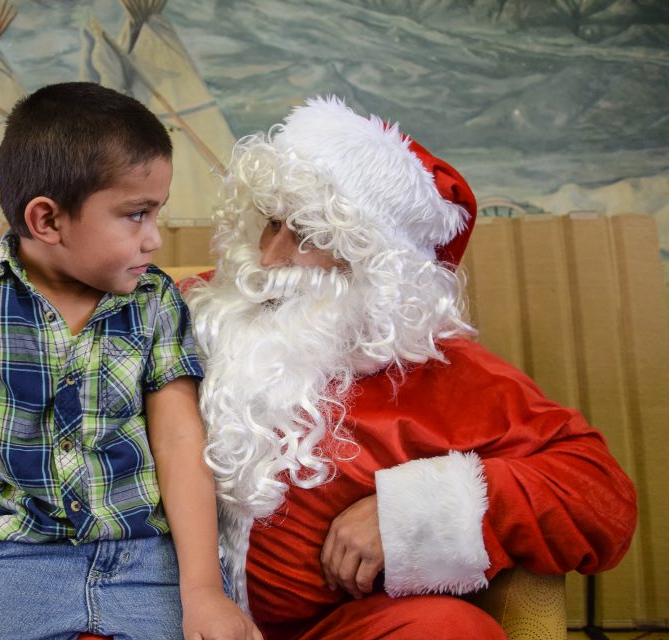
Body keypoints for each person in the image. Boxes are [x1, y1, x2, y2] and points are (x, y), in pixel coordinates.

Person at [177, 96, 637, 639]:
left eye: (309, 236)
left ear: (380, 270)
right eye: (272, 222)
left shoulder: (444, 375)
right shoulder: (196, 310)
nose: (270, 257)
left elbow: (600, 498)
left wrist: (416, 511)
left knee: (446, 630)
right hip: (145, 615)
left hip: (325, 631)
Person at [0, 82, 259, 640]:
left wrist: (202, 591)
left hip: (148, 558)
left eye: (158, 212)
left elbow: (179, 442)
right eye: (136, 214)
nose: (155, 238)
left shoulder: (154, 301)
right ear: (48, 221)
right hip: (17, 559)